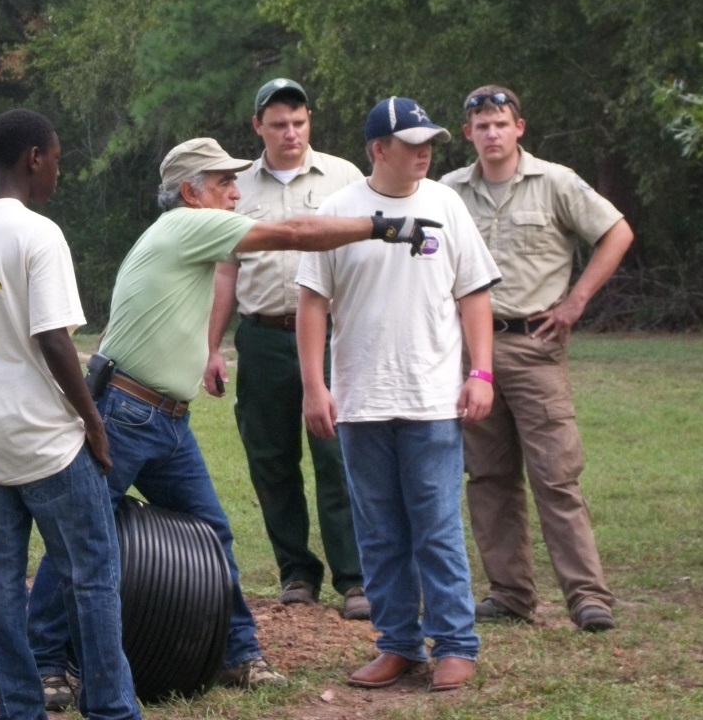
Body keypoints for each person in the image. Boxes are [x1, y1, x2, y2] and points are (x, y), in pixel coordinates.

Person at [27, 135, 439, 707]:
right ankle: (45, 664)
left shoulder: (187, 234)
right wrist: (382, 226)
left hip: (163, 419)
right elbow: (292, 236)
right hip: (128, 414)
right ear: (191, 192)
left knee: (212, 531)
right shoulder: (184, 226)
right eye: (224, 183)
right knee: (81, 538)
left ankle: (236, 652)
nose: (236, 192)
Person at [0, 109, 139, 720]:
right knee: (92, 576)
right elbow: (53, 336)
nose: (59, 172)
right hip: (49, 445)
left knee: (0, 583)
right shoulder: (38, 234)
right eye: (58, 159)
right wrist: (94, 424)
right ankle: (112, 709)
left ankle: (19, 709)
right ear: (34, 158)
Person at [297, 97, 499, 693]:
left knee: (435, 524)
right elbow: (312, 301)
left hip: (433, 397)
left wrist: (481, 372)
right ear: (378, 149)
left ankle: (456, 644)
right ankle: (397, 644)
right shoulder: (338, 211)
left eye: (429, 141)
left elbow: (474, 295)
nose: (424, 151)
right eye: (411, 143)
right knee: (379, 530)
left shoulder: (446, 204)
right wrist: (315, 386)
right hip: (360, 399)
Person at [441, 85, 633, 632]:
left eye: (501, 123)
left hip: (534, 346)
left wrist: (577, 301)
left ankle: (588, 596)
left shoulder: (556, 183)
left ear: (519, 127)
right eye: (481, 126)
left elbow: (616, 231)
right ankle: (510, 592)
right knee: (488, 476)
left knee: (555, 476)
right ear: (468, 134)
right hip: (469, 351)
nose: (492, 133)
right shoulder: (449, 191)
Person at [204, 78, 368, 617]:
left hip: (331, 335)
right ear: (258, 127)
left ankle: (355, 577)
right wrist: (211, 348)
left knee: (337, 454)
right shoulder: (236, 188)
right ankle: (296, 571)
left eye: (298, 122)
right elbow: (225, 273)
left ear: (310, 121)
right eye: (278, 124)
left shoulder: (345, 177)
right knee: (271, 457)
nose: (290, 133)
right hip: (263, 335)